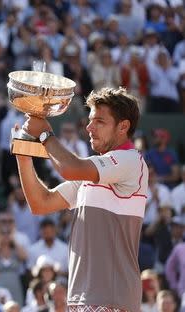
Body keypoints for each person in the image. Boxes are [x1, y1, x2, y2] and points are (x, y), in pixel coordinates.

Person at [16, 87, 148, 311]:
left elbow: (69, 168)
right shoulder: (90, 174)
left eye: (99, 121)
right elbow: (41, 203)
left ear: (123, 126)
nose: (89, 127)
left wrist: (46, 134)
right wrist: (23, 154)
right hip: (80, 299)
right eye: (89, 120)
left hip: (112, 298)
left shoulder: (130, 161)